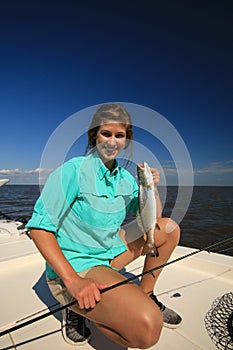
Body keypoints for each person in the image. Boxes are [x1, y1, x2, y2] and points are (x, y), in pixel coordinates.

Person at [26, 103, 181, 348]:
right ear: (94, 136)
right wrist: (74, 281)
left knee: (169, 228)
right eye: (105, 134)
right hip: (78, 263)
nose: (112, 141)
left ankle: (146, 294)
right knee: (147, 330)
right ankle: (76, 308)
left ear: (126, 140)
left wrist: (150, 188)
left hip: (108, 254)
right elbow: (39, 228)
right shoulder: (72, 171)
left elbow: (150, 219)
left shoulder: (125, 179)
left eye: (119, 135)